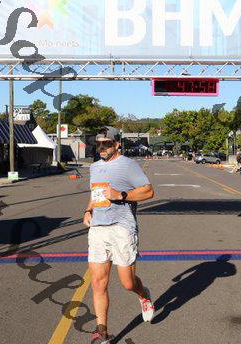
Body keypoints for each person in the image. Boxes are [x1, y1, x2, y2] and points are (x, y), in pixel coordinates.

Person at [84, 127, 156, 343]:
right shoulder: (94, 167)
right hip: (98, 227)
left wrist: (120, 195)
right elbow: (95, 193)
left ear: (116, 145)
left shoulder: (128, 165)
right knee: (98, 283)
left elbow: (149, 191)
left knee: (127, 283)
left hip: (122, 227)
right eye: (98, 144)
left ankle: (143, 295)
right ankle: (102, 334)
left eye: (106, 144)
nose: (101, 148)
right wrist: (88, 210)